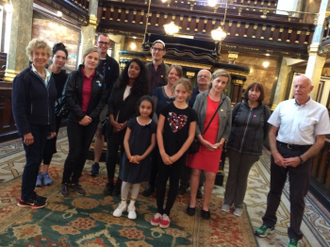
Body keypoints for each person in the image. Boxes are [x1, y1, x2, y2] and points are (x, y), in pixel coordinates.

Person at [254, 75, 330, 247]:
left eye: (302, 86)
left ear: (311, 89)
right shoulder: (283, 105)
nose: (298, 89)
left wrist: (301, 158)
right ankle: (268, 223)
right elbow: (272, 132)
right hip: (280, 150)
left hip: (302, 154)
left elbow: (320, 141)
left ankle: (294, 234)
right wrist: (274, 153)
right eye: (296, 86)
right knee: (274, 191)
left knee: (297, 197)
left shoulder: (320, 110)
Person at [12, 38, 57, 208]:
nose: (40, 57)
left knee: (37, 159)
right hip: (31, 127)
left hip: (44, 126)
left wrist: (52, 127)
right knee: (33, 160)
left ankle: (30, 193)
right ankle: (25, 197)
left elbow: (51, 104)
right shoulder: (23, 78)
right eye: (36, 54)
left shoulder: (49, 76)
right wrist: (25, 132)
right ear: (31, 55)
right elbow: (18, 107)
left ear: (48, 56)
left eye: (43, 54)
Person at [186, 69, 232, 219]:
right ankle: (192, 202)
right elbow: (193, 119)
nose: (219, 84)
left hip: (215, 145)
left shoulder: (227, 101)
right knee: (195, 173)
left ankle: (205, 205)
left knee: (211, 176)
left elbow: (228, 126)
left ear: (226, 85)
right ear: (212, 80)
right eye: (218, 81)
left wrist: (221, 142)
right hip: (200, 141)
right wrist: (200, 138)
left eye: (223, 82)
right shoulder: (201, 97)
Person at [151, 78, 197, 229]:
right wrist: (163, 152)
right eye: (178, 91)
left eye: (184, 92)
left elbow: (191, 136)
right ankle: (159, 210)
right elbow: (159, 130)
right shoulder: (165, 108)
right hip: (164, 150)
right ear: (174, 91)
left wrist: (178, 155)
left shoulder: (191, 113)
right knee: (161, 181)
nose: (180, 94)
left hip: (179, 154)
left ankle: (167, 212)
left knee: (174, 184)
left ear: (188, 93)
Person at [60, 47, 107, 197]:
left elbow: (102, 100)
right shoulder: (74, 75)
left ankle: (75, 181)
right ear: (84, 58)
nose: (92, 61)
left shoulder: (100, 78)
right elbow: (68, 96)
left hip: (91, 121)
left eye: (96, 59)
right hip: (74, 119)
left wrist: (91, 117)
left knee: (83, 152)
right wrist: (81, 116)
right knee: (74, 152)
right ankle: (65, 182)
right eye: (90, 57)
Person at [221, 82, 271, 216]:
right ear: (247, 92)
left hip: (251, 150)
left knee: (242, 177)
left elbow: (266, 131)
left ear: (260, 94)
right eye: (251, 90)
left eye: (257, 91)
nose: (253, 93)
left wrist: (257, 143)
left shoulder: (264, 110)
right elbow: (230, 125)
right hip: (234, 147)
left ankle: (238, 204)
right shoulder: (238, 106)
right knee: (232, 175)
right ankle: (227, 201)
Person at [104, 58, 149, 196]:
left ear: (140, 72)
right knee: (110, 156)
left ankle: (119, 183)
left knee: (125, 157)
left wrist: (124, 124)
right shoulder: (118, 84)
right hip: (113, 126)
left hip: (129, 129)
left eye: (136, 68)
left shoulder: (142, 91)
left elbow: (138, 112)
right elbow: (110, 103)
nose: (132, 70)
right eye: (130, 67)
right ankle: (110, 181)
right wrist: (112, 120)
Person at [113, 96, 157, 219]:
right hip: (129, 156)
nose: (145, 110)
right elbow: (126, 140)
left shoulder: (153, 125)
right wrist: (129, 155)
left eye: (148, 108)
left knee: (137, 182)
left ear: (152, 109)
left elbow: (153, 144)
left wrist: (142, 157)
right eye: (143, 107)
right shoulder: (132, 121)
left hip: (142, 159)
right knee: (126, 180)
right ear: (138, 107)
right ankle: (122, 204)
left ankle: (132, 205)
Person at [143, 65, 183, 197]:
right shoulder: (158, 91)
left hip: (174, 133)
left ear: (180, 77)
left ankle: (168, 186)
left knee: (171, 159)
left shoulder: (181, 94)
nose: (173, 76)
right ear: (167, 75)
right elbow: (152, 110)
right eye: (171, 73)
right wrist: (159, 127)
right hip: (158, 131)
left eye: (176, 74)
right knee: (155, 158)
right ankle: (151, 184)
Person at [36, 43, 68, 187]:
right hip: (39, 114)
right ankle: (36, 172)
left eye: (63, 58)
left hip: (55, 115)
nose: (60, 60)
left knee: (50, 144)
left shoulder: (66, 77)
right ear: (52, 57)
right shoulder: (43, 73)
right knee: (37, 144)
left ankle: (45, 172)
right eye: (58, 57)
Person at [179, 69, 212, 198]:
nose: (202, 78)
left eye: (205, 76)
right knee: (187, 160)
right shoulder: (190, 93)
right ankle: (183, 185)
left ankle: (198, 187)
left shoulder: (213, 94)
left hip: (205, 133)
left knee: (201, 163)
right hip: (189, 132)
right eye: (200, 76)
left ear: (210, 80)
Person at [90, 33, 119, 176]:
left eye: (106, 43)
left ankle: (95, 162)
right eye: (101, 42)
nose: (103, 45)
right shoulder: (91, 59)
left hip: (104, 103)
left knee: (99, 132)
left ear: (109, 45)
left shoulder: (113, 64)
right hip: (88, 102)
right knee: (85, 131)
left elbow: (114, 86)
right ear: (97, 42)